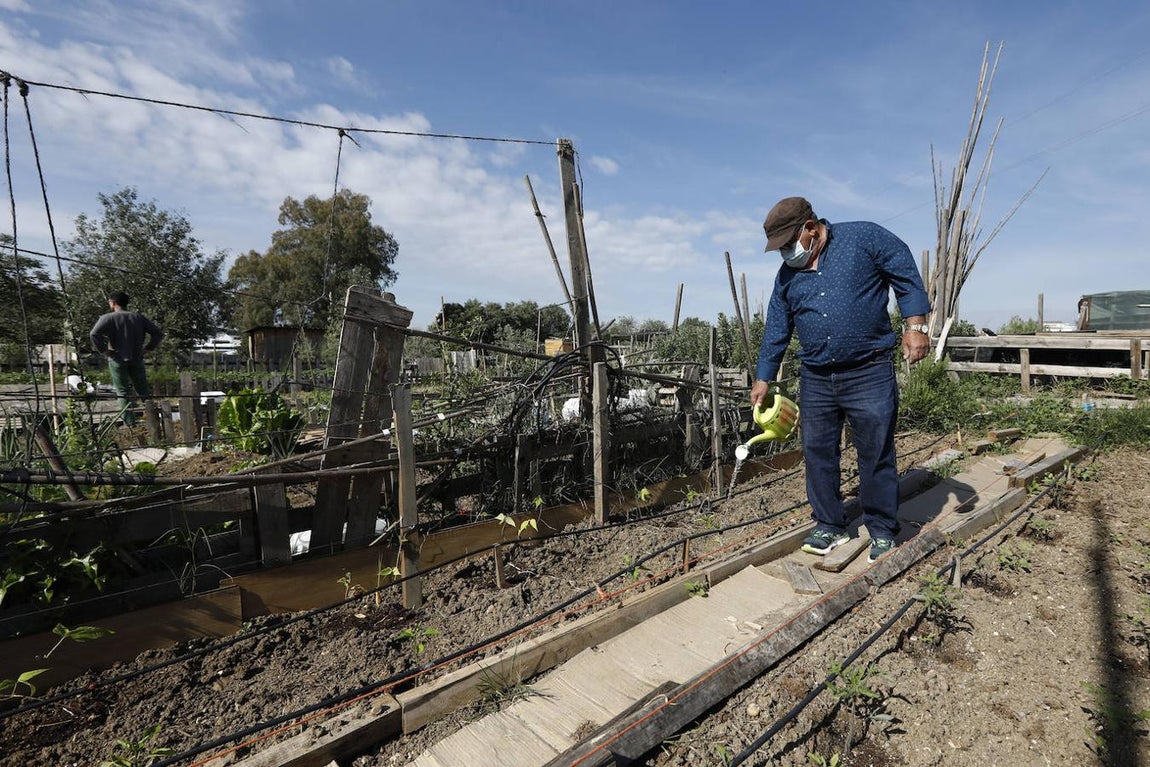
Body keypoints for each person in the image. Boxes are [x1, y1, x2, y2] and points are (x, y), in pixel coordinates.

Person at [751, 197, 930, 563]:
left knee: (875, 450)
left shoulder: (863, 239)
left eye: (788, 244)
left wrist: (916, 326)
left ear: (810, 228)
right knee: (817, 452)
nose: (785, 253)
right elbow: (776, 328)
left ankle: (882, 528)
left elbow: (904, 273)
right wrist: (764, 377)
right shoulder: (786, 277)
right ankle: (829, 524)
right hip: (816, 376)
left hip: (868, 370)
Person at [89, 290, 163, 426]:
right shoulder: (138, 317)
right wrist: (148, 348)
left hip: (116, 359)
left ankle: (130, 424)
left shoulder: (107, 318)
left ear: (112, 303)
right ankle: (153, 421)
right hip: (137, 358)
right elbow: (157, 333)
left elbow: (94, 334)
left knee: (122, 392)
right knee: (143, 390)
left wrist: (104, 350)